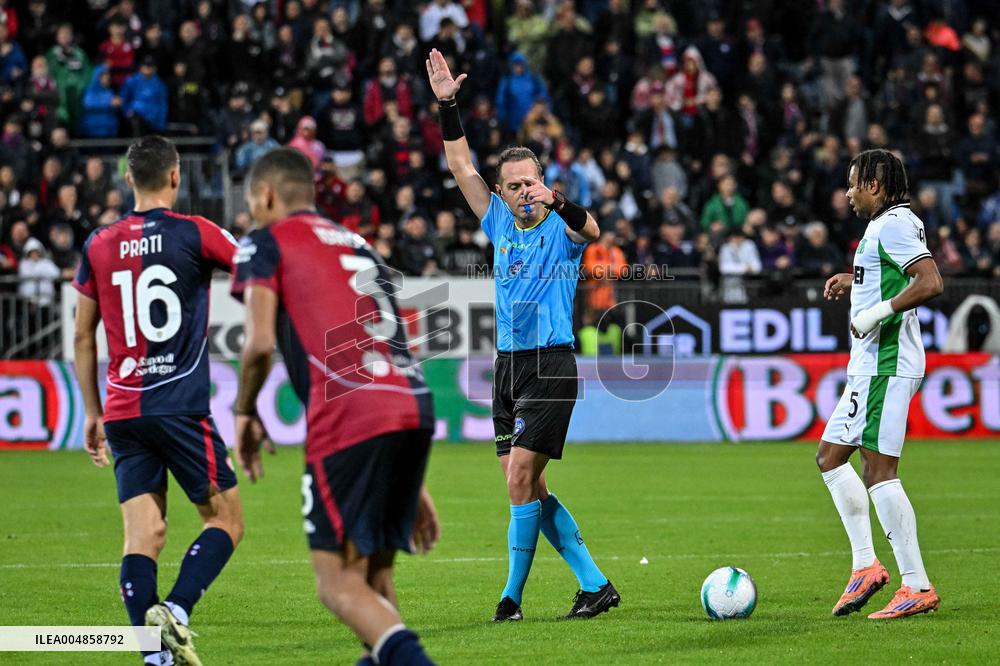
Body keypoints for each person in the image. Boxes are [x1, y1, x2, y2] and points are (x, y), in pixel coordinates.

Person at [427, 48, 618, 622]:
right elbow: (462, 167)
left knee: (518, 477)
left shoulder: (560, 227)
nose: (521, 192)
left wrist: (559, 200)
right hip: (507, 367)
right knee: (526, 487)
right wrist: (447, 106)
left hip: (552, 364)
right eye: (511, 186)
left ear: (542, 183)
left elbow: (595, 227)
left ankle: (510, 599)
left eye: (529, 182)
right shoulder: (498, 223)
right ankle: (595, 585)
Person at [231, 147, 439, 666]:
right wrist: (412, 481)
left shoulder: (266, 241)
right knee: (375, 579)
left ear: (266, 195)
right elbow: (388, 346)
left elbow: (258, 345)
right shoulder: (359, 245)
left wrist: (243, 411)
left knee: (339, 586)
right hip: (409, 406)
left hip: (348, 416)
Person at [72, 136, 243, 666]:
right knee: (227, 521)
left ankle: (153, 656)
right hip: (180, 407)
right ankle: (177, 610)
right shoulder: (196, 231)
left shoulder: (99, 244)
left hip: (123, 410)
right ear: (175, 177)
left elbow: (82, 337)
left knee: (143, 536)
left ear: (128, 180)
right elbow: (254, 269)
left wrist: (92, 410)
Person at [819, 149, 944, 620]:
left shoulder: (892, 223)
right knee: (830, 458)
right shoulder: (889, 224)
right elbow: (891, 276)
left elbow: (929, 281)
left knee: (878, 471)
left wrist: (875, 311)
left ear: (875, 184)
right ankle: (865, 566)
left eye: (853, 184)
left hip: (886, 366)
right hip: (869, 367)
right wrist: (856, 284)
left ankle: (916, 584)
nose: (848, 193)